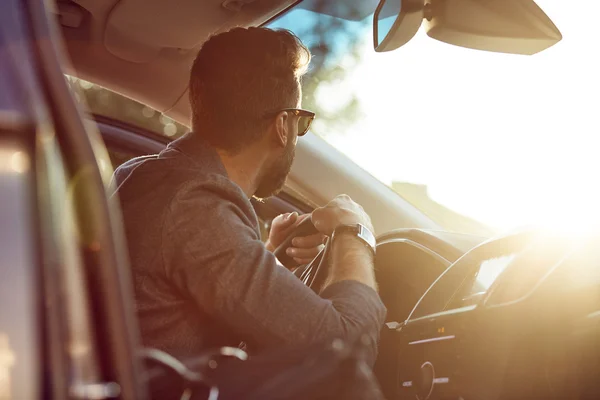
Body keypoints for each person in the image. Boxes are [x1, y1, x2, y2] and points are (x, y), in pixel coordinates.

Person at [112, 27, 386, 367]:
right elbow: (346, 353)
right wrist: (355, 232)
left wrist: (270, 256)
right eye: (301, 124)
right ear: (283, 125)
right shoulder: (195, 205)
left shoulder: (143, 175)